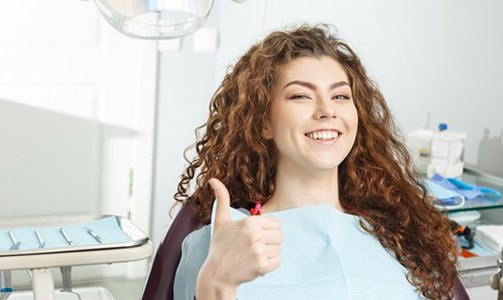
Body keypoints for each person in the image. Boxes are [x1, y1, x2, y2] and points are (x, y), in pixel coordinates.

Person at [172, 24, 457, 300]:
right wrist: (217, 284)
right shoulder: (217, 244)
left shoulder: (403, 235)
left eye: (340, 95)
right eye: (301, 96)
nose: (327, 110)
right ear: (263, 123)